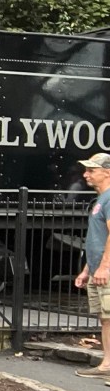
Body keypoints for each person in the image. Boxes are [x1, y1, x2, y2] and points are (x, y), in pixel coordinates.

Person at [74, 153, 110, 379]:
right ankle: (107, 363)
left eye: (91, 171)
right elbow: (97, 239)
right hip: (98, 269)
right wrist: (88, 270)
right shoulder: (101, 200)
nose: (86, 175)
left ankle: (107, 366)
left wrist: (105, 267)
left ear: (107, 172)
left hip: (106, 271)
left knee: (109, 317)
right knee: (105, 318)